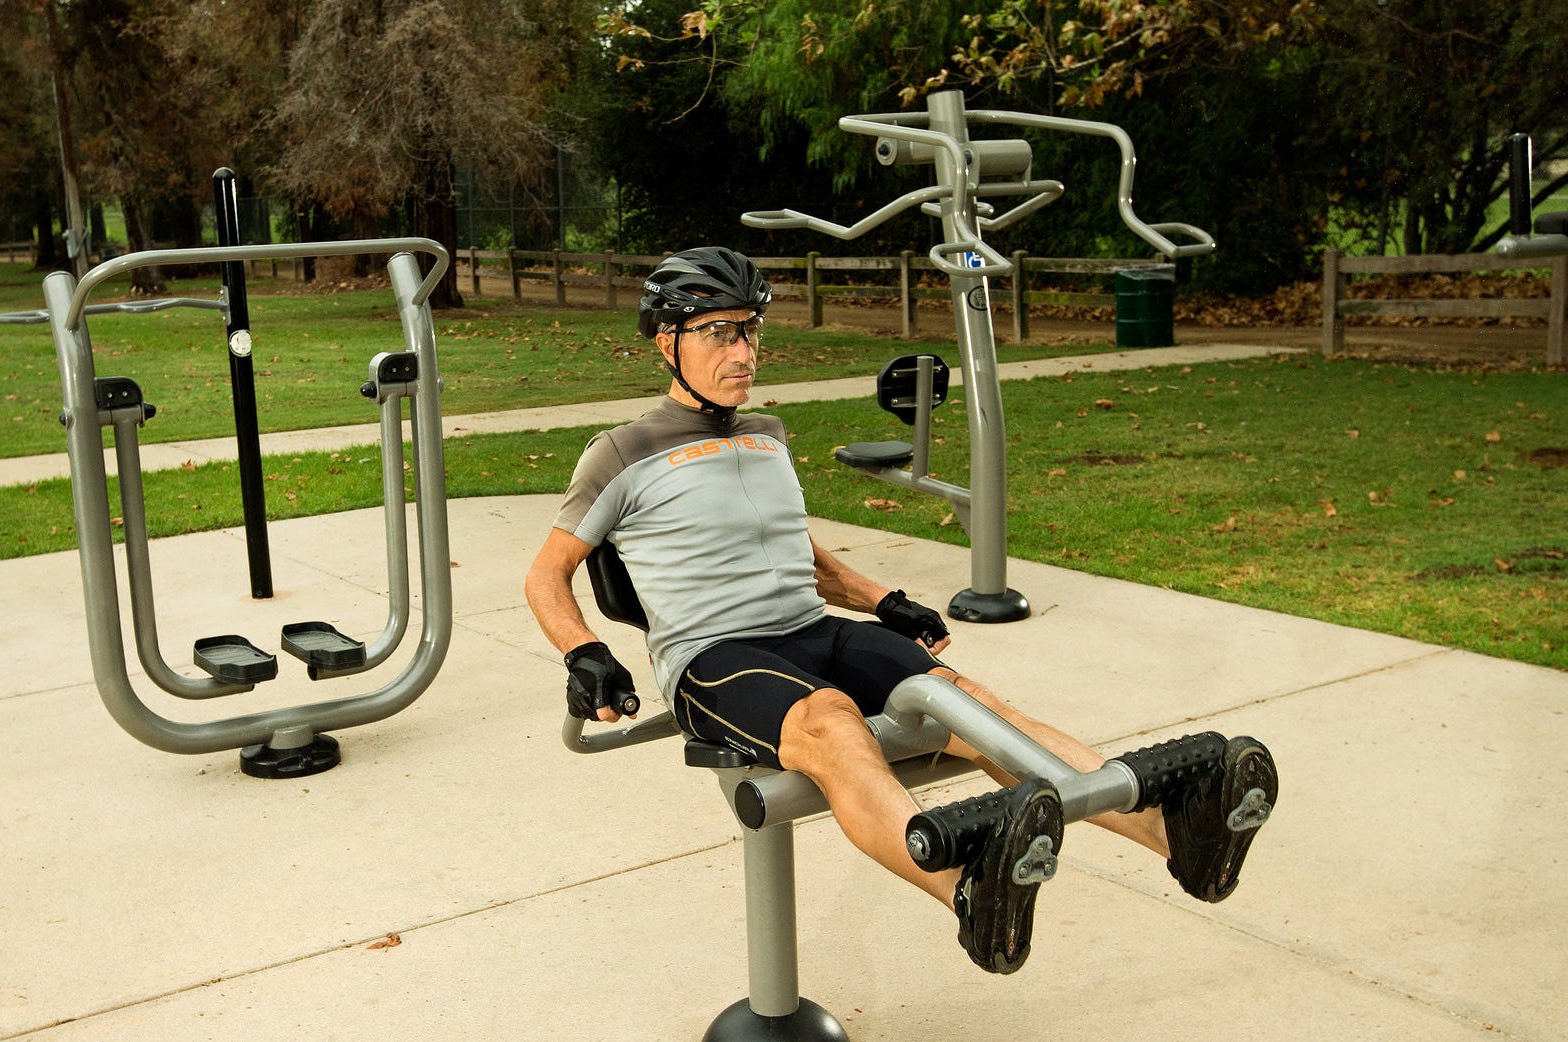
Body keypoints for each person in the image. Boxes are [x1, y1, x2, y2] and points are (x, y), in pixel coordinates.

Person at [524, 246, 1279, 975]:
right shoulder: (621, 452)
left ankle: (1177, 836)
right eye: (720, 333)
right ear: (667, 342)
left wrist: (883, 601)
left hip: (812, 630)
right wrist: (583, 652)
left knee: (969, 705)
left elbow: (801, 554)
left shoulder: (766, 435)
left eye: (751, 330)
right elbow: (547, 576)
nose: (745, 352)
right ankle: (969, 894)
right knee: (831, 721)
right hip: (715, 657)